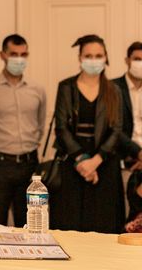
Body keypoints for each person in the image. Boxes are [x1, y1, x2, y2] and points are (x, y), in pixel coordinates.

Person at [49, 34, 124, 233]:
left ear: (106, 57)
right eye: (88, 55)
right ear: (80, 58)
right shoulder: (66, 87)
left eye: (98, 55)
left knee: (103, 224)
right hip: (73, 160)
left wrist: (95, 161)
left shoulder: (114, 90)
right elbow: (61, 127)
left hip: (104, 162)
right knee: (70, 223)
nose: (93, 60)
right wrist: (82, 160)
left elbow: (117, 130)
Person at [0, 34, 46, 228]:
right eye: (13, 54)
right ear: (2, 55)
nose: (19, 59)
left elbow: (40, 125)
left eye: (23, 54)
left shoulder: (38, 90)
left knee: (31, 224)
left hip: (30, 166)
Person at [112, 41, 142, 230]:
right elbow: (113, 129)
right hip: (123, 163)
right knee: (122, 221)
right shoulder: (113, 88)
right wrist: (138, 153)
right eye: (137, 59)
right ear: (127, 60)